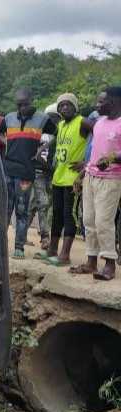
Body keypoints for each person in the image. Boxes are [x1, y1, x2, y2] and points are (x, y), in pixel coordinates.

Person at [36, 94, 94, 266]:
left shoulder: (83, 122)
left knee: (70, 216)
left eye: (68, 105)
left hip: (73, 179)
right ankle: (52, 250)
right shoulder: (60, 124)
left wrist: (87, 162)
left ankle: (65, 255)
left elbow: (100, 137)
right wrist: (44, 148)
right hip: (58, 177)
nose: (64, 108)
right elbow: (55, 139)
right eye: (61, 106)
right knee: (57, 215)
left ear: (75, 107)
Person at [0, 89, 57, 259]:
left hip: (26, 172)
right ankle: (1, 246)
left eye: (25, 104)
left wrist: (41, 149)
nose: (22, 108)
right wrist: (7, 142)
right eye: (19, 104)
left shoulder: (42, 119)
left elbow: (55, 133)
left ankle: (19, 247)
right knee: (5, 210)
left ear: (32, 101)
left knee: (22, 210)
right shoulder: (9, 118)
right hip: (8, 170)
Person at [71, 87, 121, 280]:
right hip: (91, 177)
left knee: (103, 221)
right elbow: (94, 152)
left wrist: (111, 159)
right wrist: (84, 171)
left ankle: (109, 264)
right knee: (88, 220)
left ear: (115, 102)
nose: (97, 105)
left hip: (111, 180)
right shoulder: (99, 123)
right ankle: (91, 262)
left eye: (101, 102)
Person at [28, 103, 60, 251]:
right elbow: (39, 156)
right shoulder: (43, 134)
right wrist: (51, 168)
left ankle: (21, 235)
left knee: (36, 204)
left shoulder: (59, 133)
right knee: (44, 202)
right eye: (53, 117)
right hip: (40, 172)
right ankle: (45, 237)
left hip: (51, 173)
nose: (54, 120)